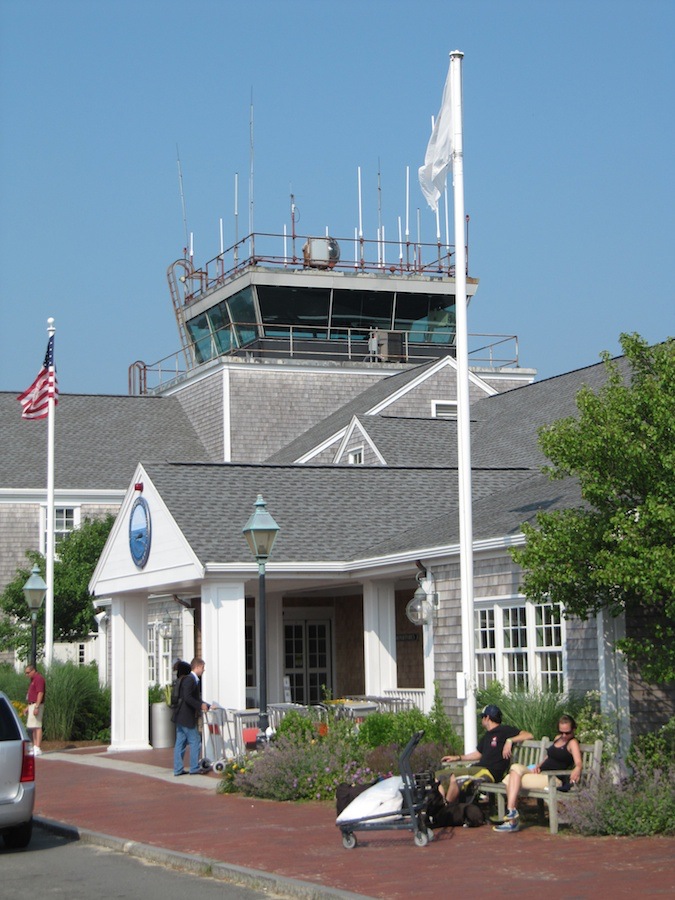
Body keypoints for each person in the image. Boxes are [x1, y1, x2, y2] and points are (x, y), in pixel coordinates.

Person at [493, 713, 582, 833]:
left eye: (567, 732)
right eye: (561, 732)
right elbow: (549, 757)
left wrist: (577, 769)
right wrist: (538, 766)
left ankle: (512, 819)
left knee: (510, 779)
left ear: (574, 729)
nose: (564, 735)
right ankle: (512, 812)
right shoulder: (557, 739)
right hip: (540, 773)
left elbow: (578, 762)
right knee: (515, 768)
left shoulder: (572, 743)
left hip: (553, 778)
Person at [437, 704, 533, 799]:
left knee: (454, 780)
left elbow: (528, 735)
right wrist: (458, 757)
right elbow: (478, 754)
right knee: (439, 776)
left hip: (489, 772)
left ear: (487, 718)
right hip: (478, 769)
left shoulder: (504, 730)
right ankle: (443, 808)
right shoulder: (487, 735)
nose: (481, 720)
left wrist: (510, 740)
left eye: (482, 717)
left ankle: (447, 809)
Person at [173, 657, 210, 776]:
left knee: (181, 742)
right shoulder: (190, 680)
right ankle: (194, 767)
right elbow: (188, 697)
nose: (203, 671)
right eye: (203, 668)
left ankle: (178, 769)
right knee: (195, 740)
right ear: (197, 667)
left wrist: (207, 705)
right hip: (185, 716)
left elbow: (195, 698)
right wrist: (201, 706)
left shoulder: (190, 679)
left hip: (180, 716)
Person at [24, 664, 46, 755]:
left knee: (37, 726)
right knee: (33, 727)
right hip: (32, 704)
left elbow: (40, 693)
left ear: (33, 671)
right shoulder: (33, 680)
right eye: (26, 673)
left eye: (28, 672)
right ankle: (35, 745)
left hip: (37, 705)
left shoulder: (38, 679)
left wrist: (36, 706)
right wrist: (27, 707)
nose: (27, 675)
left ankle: (38, 746)